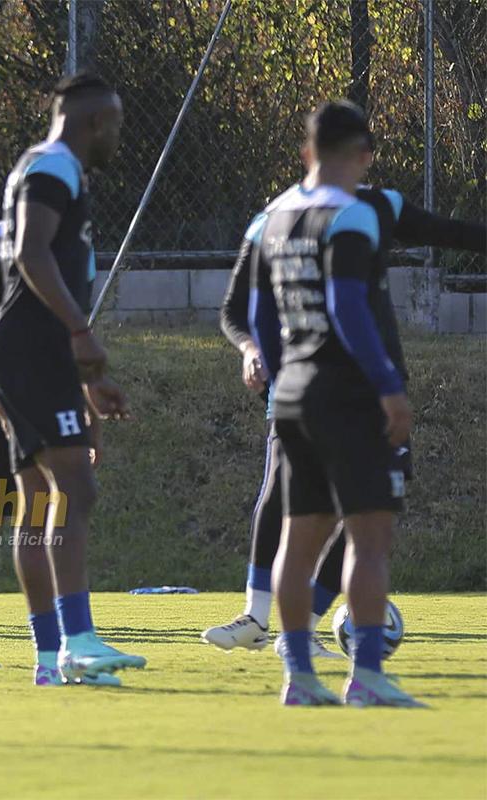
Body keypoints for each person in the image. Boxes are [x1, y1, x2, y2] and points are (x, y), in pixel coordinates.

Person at [204, 152, 486, 658]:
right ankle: (260, 618)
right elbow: (236, 308)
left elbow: (452, 232)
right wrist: (250, 348)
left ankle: (303, 634)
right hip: (312, 388)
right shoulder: (276, 217)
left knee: (360, 517)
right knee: (289, 501)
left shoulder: (378, 206)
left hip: (362, 392)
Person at [247, 100, 423, 706]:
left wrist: (278, 378)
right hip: (347, 396)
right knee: (368, 540)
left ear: (306, 152)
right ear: (363, 155)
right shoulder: (351, 217)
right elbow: (349, 308)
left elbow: (258, 315)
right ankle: (367, 676)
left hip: (292, 396)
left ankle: (298, 677)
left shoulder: (274, 217)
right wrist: (386, 385)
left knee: (297, 544)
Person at [0, 71, 142, 686]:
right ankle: (76, 641)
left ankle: (55, 658)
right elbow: (30, 252)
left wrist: (85, 375)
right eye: (117, 124)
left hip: (37, 351)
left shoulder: (49, 166)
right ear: (94, 121)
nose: (118, 136)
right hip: (28, 348)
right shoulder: (55, 166)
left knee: (51, 495)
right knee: (74, 484)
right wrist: (80, 334)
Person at [0, 220, 107, 686]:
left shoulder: (75, 248)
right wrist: (2, 408)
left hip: (53, 399)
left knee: (48, 517)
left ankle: (54, 651)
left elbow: (73, 333)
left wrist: (89, 412)